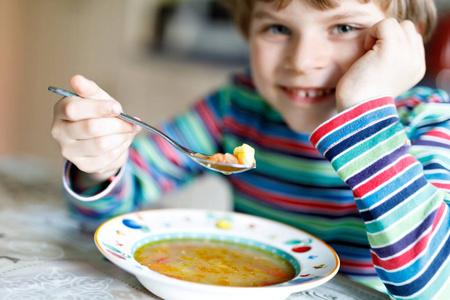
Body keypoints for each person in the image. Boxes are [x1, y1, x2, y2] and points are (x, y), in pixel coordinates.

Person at [51, 0, 450, 298]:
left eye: (343, 27)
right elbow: (105, 215)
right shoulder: (236, 107)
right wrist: (98, 165)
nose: (302, 60)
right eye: (277, 28)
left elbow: (428, 282)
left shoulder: (429, 124)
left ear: (404, 41)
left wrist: (365, 112)